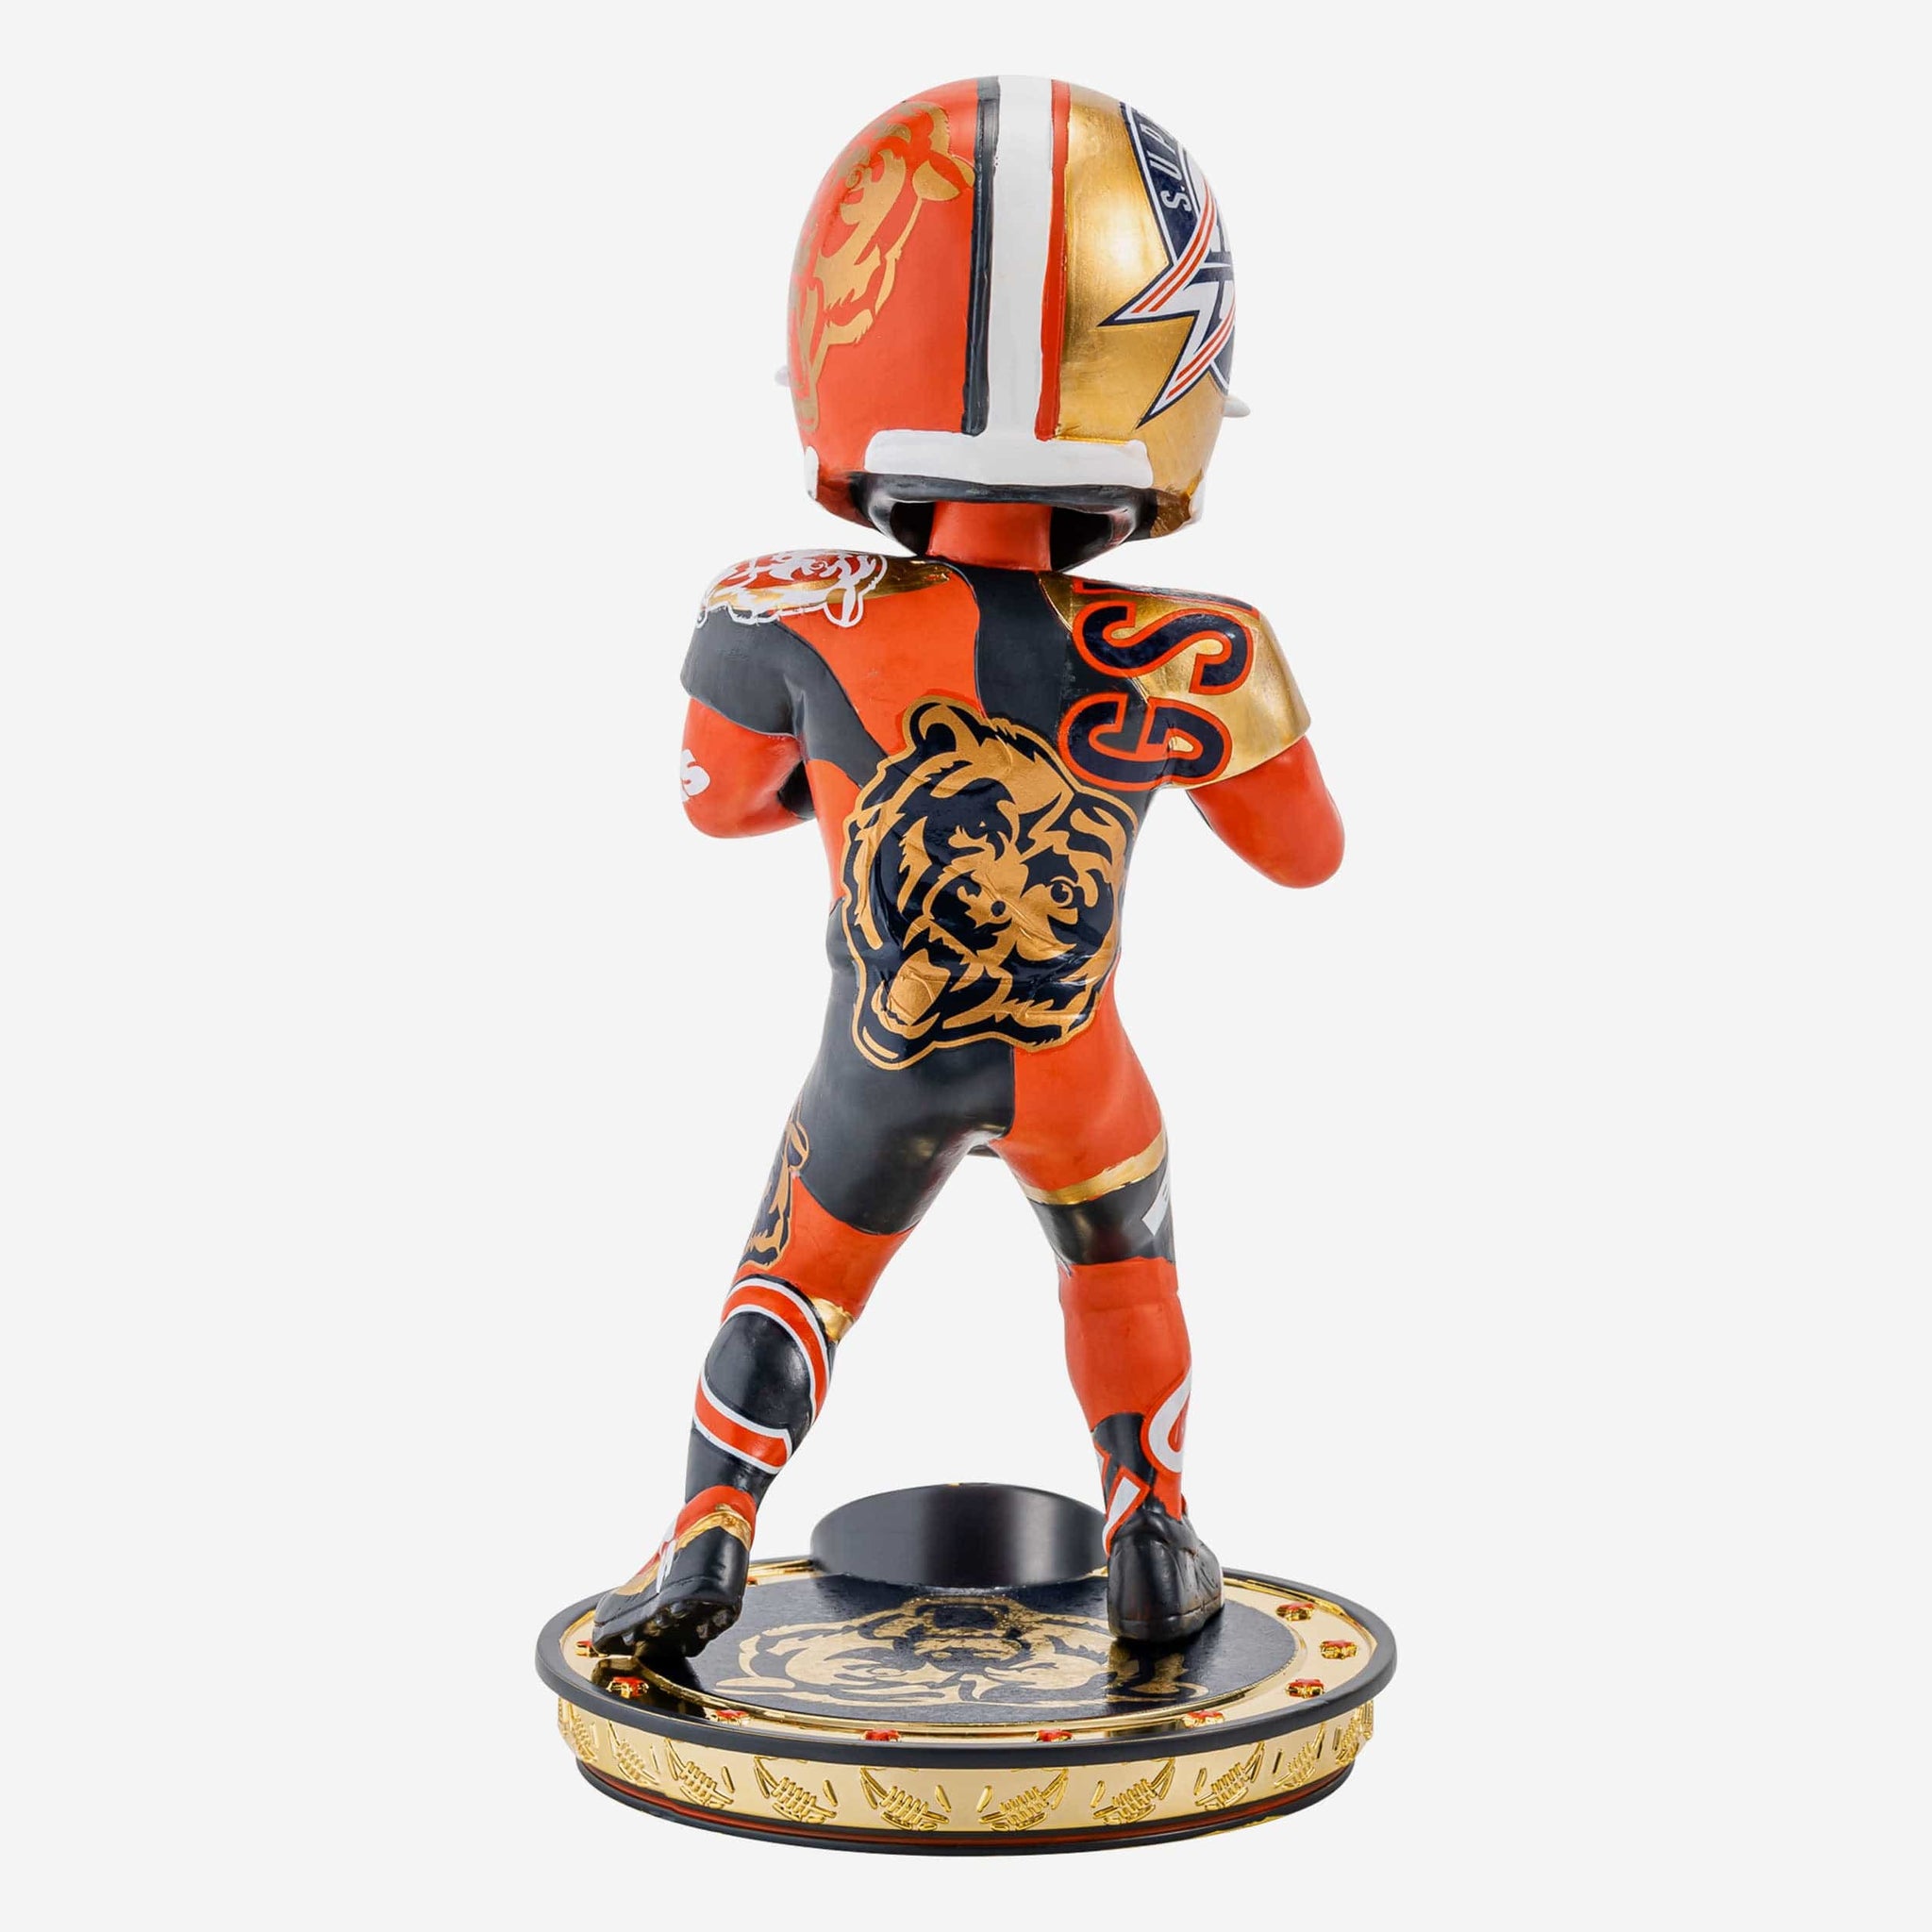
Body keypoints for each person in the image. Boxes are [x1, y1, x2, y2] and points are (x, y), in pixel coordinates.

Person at [592, 77, 1343, 1659]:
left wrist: (849, 773)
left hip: (885, 1059)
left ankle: (709, 1526)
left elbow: (718, 808)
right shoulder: (1198, 650)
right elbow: (1306, 856)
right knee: (1124, 1270)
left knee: (792, 1272)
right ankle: (1150, 1521)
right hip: (1076, 1066)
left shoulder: (776, 614)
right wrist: (1197, 734)